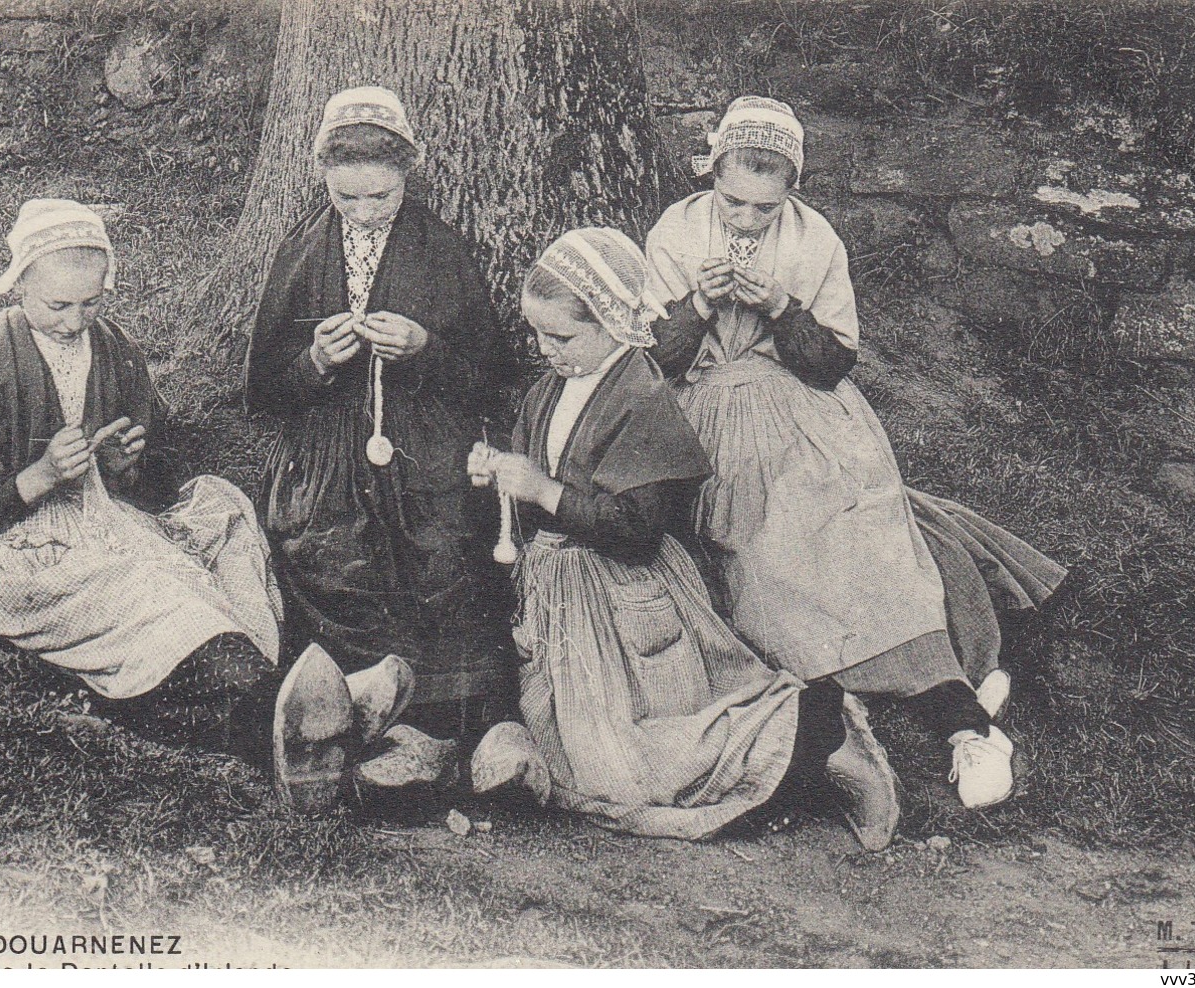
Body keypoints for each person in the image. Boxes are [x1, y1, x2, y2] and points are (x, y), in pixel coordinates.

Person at [0, 198, 410, 812]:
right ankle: (297, 723)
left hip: (105, 517)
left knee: (206, 552)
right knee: (149, 595)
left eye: (90, 304)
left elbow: (152, 477)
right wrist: (39, 477)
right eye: (57, 306)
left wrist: (127, 467)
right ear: (18, 289)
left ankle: (297, 718)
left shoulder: (113, 347)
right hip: (9, 543)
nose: (75, 321)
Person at [643, 97, 1069, 809]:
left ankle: (957, 714)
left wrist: (781, 308)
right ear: (711, 175)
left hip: (807, 412)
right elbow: (655, 359)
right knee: (766, 554)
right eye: (733, 201)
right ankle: (902, 696)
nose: (746, 218)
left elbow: (830, 362)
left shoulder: (815, 241)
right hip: (711, 414)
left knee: (858, 525)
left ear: (790, 190)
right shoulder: (675, 230)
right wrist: (697, 306)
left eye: (763, 207)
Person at [465, 228, 900, 847]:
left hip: (625, 597)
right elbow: (539, 469)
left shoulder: (641, 398)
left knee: (620, 766)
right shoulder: (552, 387)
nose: (546, 350)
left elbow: (638, 532)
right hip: (564, 600)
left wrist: (542, 491)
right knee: (578, 756)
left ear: (615, 322)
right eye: (538, 334)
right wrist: (499, 475)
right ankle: (797, 746)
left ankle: (818, 741)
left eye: (561, 336)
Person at [244, 86, 514, 774]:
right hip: (329, 441)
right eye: (347, 200)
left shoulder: (440, 248)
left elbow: (486, 370)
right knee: (325, 539)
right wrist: (314, 360)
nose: (363, 214)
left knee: (440, 538)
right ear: (324, 184)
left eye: (380, 199)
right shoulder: (302, 250)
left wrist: (423, 345)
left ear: (406, 179)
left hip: (423, 433)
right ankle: (339, 705)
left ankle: (440, 723)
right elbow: (265, 387)